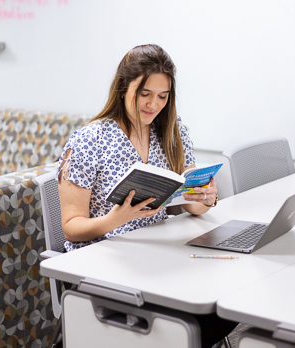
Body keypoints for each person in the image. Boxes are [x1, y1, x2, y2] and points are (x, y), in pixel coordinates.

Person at [57, 44, 236, 347]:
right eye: (145, 94)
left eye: (163, 96)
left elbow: (191, 204)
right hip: (105, 263)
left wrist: (204, 196)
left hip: (156, 253)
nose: (154, 104)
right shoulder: (90, 139)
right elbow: (71, 226)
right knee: (200, 321)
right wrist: (115, 219)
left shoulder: (171, 130)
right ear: (124, 87)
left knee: (223, 297)